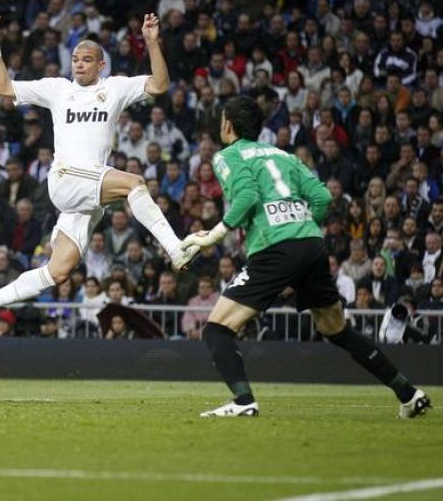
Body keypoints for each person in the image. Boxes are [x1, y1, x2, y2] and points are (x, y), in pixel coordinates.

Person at [180, 95, 431, 418]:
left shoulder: (228, 155)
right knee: (336, 329)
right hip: (311, 244)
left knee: (216, 329)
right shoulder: (285, 156)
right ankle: (409, 394)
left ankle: (244, 402)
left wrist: (211, 237)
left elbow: (246, 195)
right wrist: (299, 224)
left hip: (274, 248)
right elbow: (323, 197)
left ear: (227, 125)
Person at [0, 12, 197, 332]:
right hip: (67, 178)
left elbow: (159, 84)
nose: (79, 64)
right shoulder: (58, 89)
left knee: (58, 271)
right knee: (135, 183)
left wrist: (152, 43)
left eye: (86, 60)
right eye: (75, 59)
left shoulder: (115, 88)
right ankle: (174, 248)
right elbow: (4, 87)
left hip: (90, 193)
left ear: (101, 65)